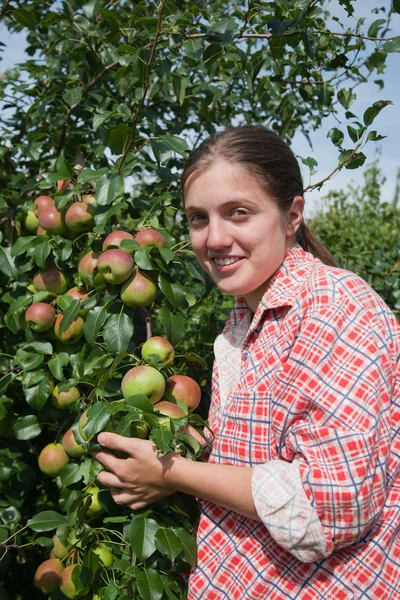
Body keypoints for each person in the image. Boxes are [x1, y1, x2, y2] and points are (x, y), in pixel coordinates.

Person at [93, 126, 400, 599]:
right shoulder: (242, 323)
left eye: (238, 213)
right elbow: (270, 449)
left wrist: (172, 472)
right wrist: (190, 448)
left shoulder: (336, 306)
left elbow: (330, 505)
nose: (215, 238)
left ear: (292, 214)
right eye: (198, 218)